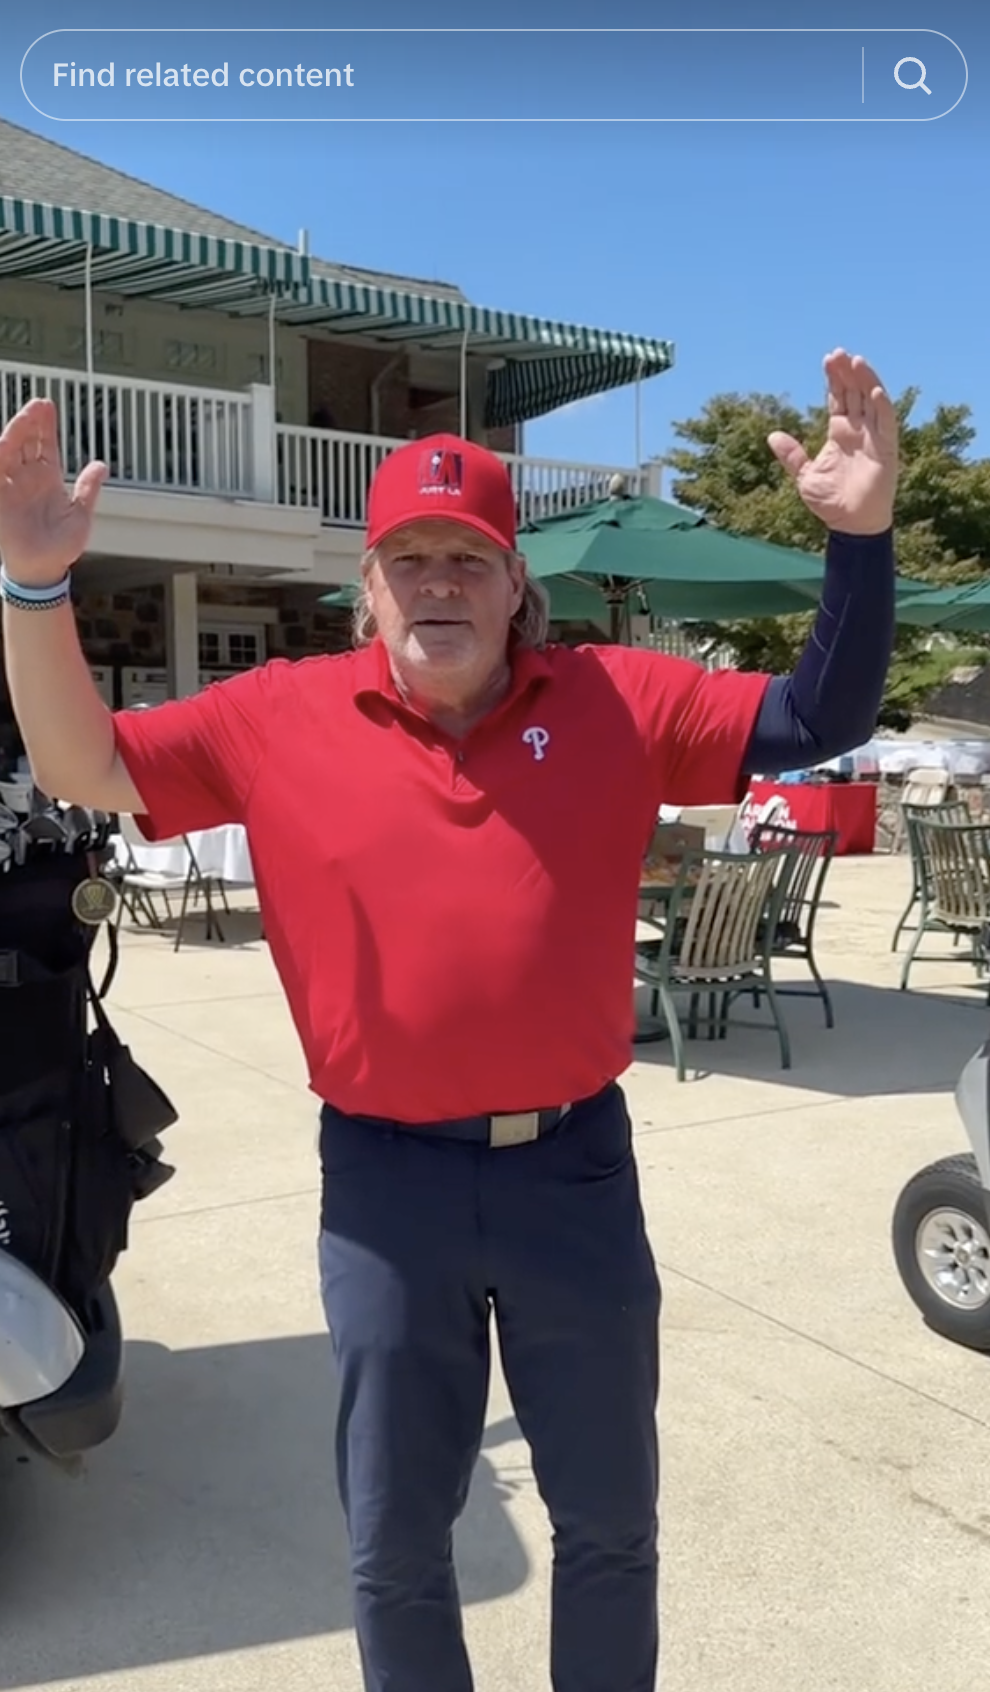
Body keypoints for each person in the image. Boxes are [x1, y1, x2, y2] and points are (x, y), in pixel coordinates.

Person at [0, 348, 897, 1692]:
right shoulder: (278, 714)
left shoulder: (615, 697)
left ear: (513, 587)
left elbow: (813, 715)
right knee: (396, 1534)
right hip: (385, 1185)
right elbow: (82, 766)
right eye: (408, 559)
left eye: (467, 558)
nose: (437, 583)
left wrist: (861, 544)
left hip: (571, 1173)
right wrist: (32, 588)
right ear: (365, 591)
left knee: (606, 1524)